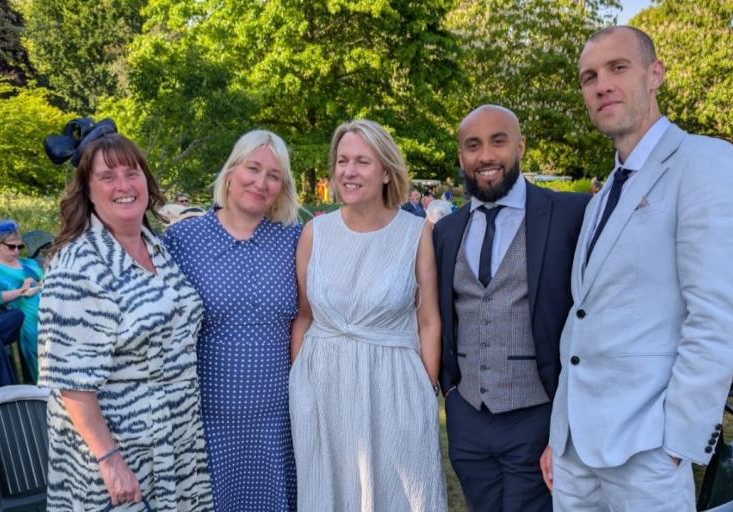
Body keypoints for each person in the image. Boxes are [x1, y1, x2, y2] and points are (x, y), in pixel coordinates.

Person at [544, 26, 733, 511]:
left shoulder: (705, 162)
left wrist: (677, 444)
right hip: (575, 452)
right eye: (589, 77)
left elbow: (716, 317)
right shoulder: (601, 198)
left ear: (656, 75)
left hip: (647, 449)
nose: (602, 85)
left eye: (618, 68)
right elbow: (583, 320)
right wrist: (558, 434)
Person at [39, 118, 213, 511]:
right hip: (118, 454)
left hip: (176, 446)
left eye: (131, 173)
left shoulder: (157, 247)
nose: (123, 186)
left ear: (146, 182)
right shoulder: (78, 265)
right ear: (88, 190)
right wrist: (109, 460)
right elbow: (71, 382)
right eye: (107, 176)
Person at [433, 105, 588, 512]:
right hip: (467, 417)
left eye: (498, 141)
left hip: (537, 412)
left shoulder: (570, 214)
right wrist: (451, 393)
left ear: (520, 146)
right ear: (461, 156)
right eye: (473, 145)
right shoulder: (447, 230)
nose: (485, 156)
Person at [289, 119, 447, 511]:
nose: (348, 171)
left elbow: (428, 320)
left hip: (394, 389)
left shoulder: (416, 233)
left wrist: (423, 391)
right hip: (322, 388)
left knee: (402, 494)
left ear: (386, 172)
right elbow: (304, 315)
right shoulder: (314, 234)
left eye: (362, 161)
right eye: (342, 160)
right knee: (329, 493)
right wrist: (301, 381)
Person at [164, 130, 301, 511]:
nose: (261, 182)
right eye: (253, 168)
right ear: (230, 172)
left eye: (274, 175)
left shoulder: (295, 239)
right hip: (208, 417)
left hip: (278, 418)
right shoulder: (182, 239)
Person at [0, 220, 42, 383]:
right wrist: (21, 290)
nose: (16, 251)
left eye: (19, 247)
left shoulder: (28, 263)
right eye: (12, 247)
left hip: (45, 301)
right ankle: (41, 380)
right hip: (20, 311)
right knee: (36, 323)